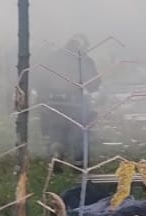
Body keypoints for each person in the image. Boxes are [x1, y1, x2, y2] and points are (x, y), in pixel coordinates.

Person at [36, 34, 101, 165]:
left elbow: (39, 79)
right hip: (75, 102)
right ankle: (79, 162)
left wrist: (43, 97)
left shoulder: (52, 57)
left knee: (56, 130)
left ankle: (56, 153)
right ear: (82, 46)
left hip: (52, 101)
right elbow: (93, 84)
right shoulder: (84, 60)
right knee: (79, 131)